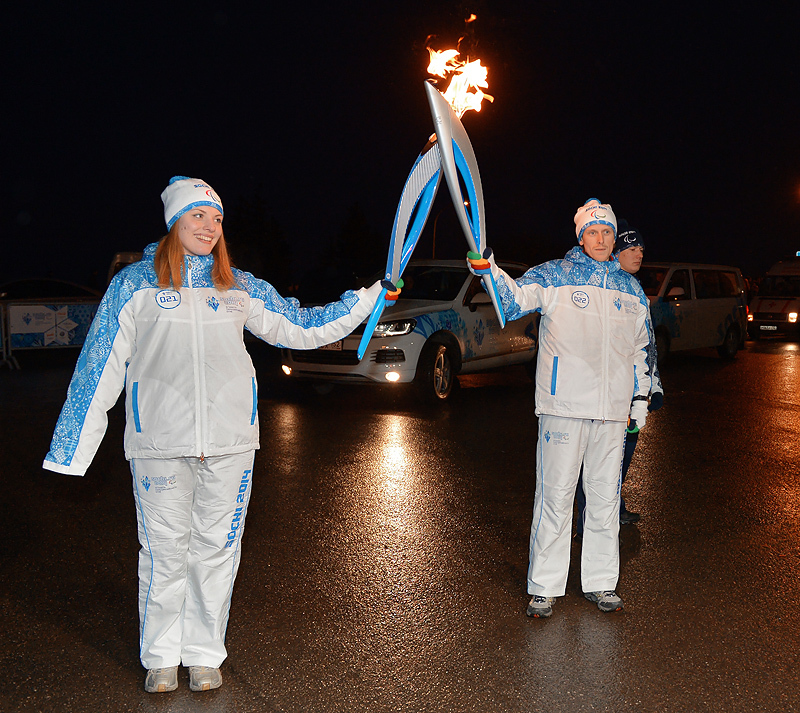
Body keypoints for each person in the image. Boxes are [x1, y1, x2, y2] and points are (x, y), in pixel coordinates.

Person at [43, 176, 393, 693]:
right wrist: (72, 447)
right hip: (159, 444)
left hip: (230, 444)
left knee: (216, 551)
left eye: (217, 218)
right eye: (198, 216)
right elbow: (99, 365)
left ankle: (204, 651)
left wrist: (369, 297)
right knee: (164, 552)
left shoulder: (240, 286)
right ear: (173, 222)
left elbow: (303, 325)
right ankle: (161, 655)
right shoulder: (136, 285)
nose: (209, 227)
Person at [467, 199, 652, 618]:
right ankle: (545, 587)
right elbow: (511, 300)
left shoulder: (630, 288)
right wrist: (487, 270)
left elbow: (642, 351)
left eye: (607, 232)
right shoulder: (554, 275)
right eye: (593, 232)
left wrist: (639, 401)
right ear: (581, 237)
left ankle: (602, 583)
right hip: (564, 406)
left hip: (611, 412)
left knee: (605, 499)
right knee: (556, 496)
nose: (601, 239)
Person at [574, 221, 664, 536]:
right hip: (612, 395)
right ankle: (589, 517)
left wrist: (653, 386)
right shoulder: (608, 289)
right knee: (604, 459)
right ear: (617, 252)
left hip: (634, 390)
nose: (638, 254)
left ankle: (612, 506)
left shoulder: (633, 288)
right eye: (631, 249)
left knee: (622, 457)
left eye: (641, 249)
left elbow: (645, 344)